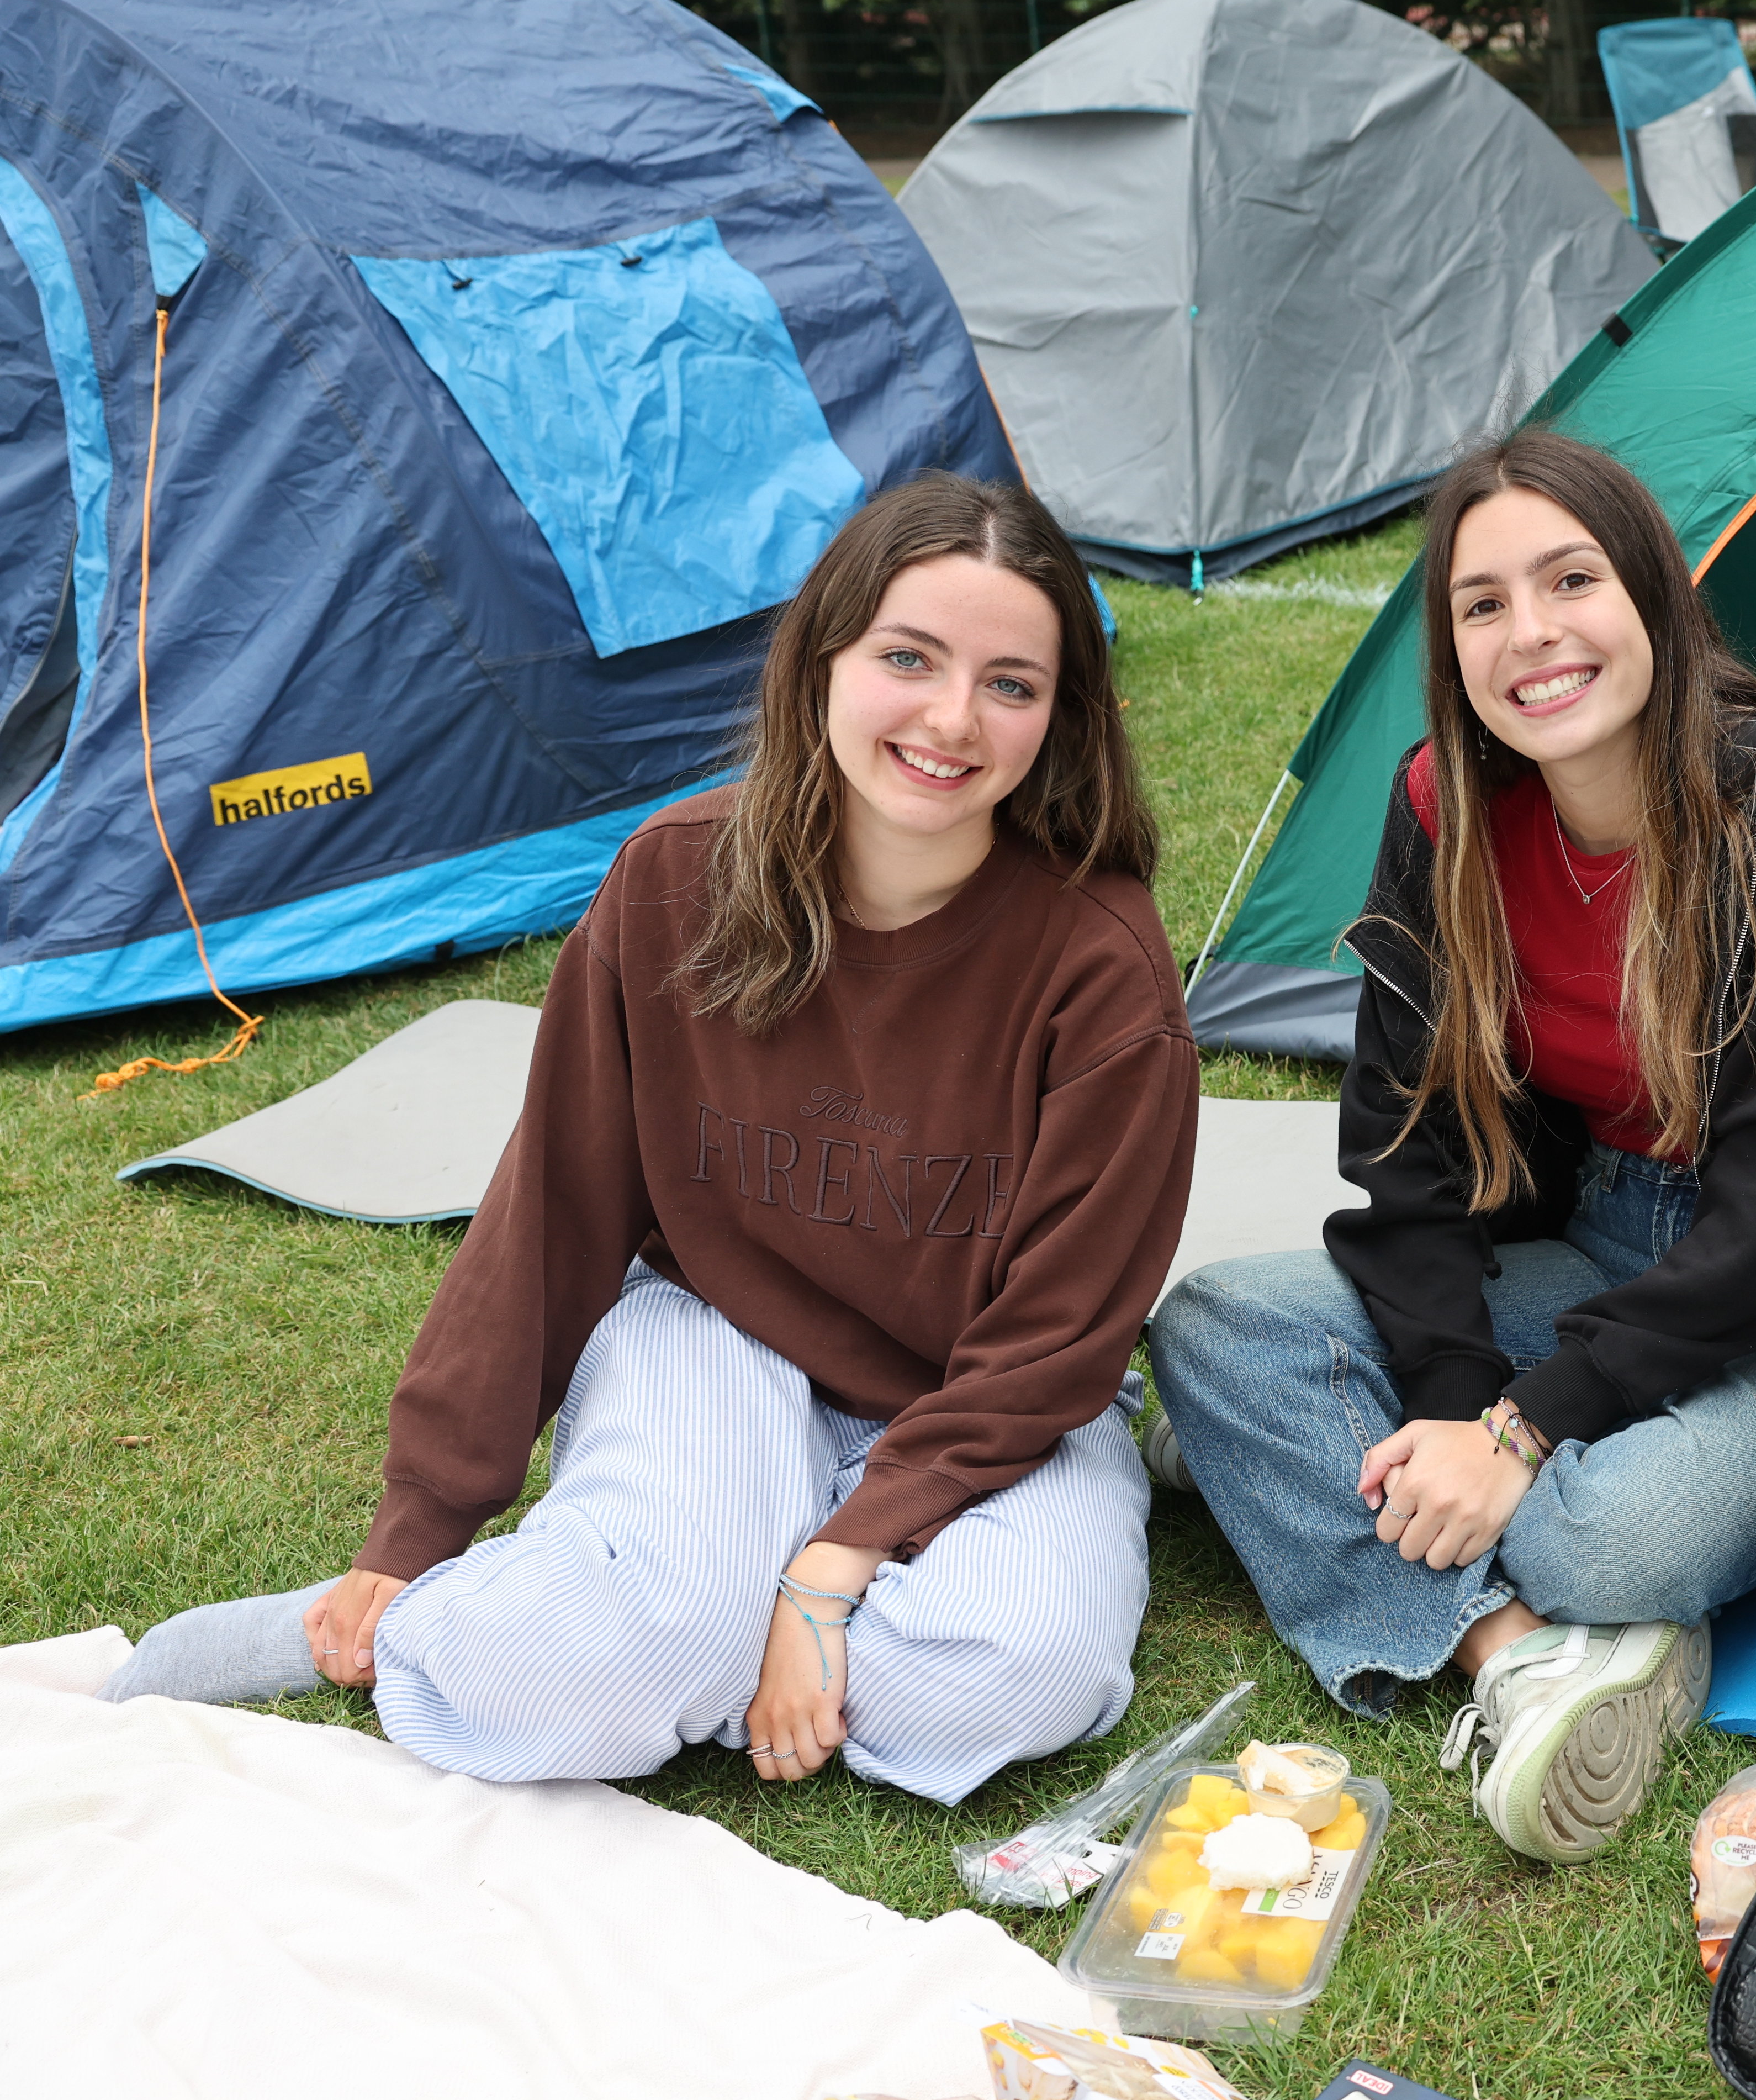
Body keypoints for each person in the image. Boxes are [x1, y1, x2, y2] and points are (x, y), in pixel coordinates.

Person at [101, 473, 1198, 1807]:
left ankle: (686, 1615)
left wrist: (829, 1562)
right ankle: (419, 1623)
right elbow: (554, 1214)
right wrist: (419, 1525)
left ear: (1061, 716)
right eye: (908, 658)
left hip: (989, 1400)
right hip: (722, 1333)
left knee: (1021, 1670)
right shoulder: (675, 882)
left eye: (1011, 683)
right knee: (605, 1649)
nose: (952, 718)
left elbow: (1060, 1334)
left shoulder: (1102, 964)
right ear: (823, 660)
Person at [1148, 430, 1756, 1864]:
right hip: (1581, 1238)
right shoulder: (1448, 809)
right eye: (1483, 602)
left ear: (1657, 598)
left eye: (1571, 579)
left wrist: (1521, 1426)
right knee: (1214, 1323)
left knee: (1594, 1539)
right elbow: (1408, 1154)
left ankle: (1339, 1469)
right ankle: (1512, 1653)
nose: (1533, 633)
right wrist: (1456, 1404)